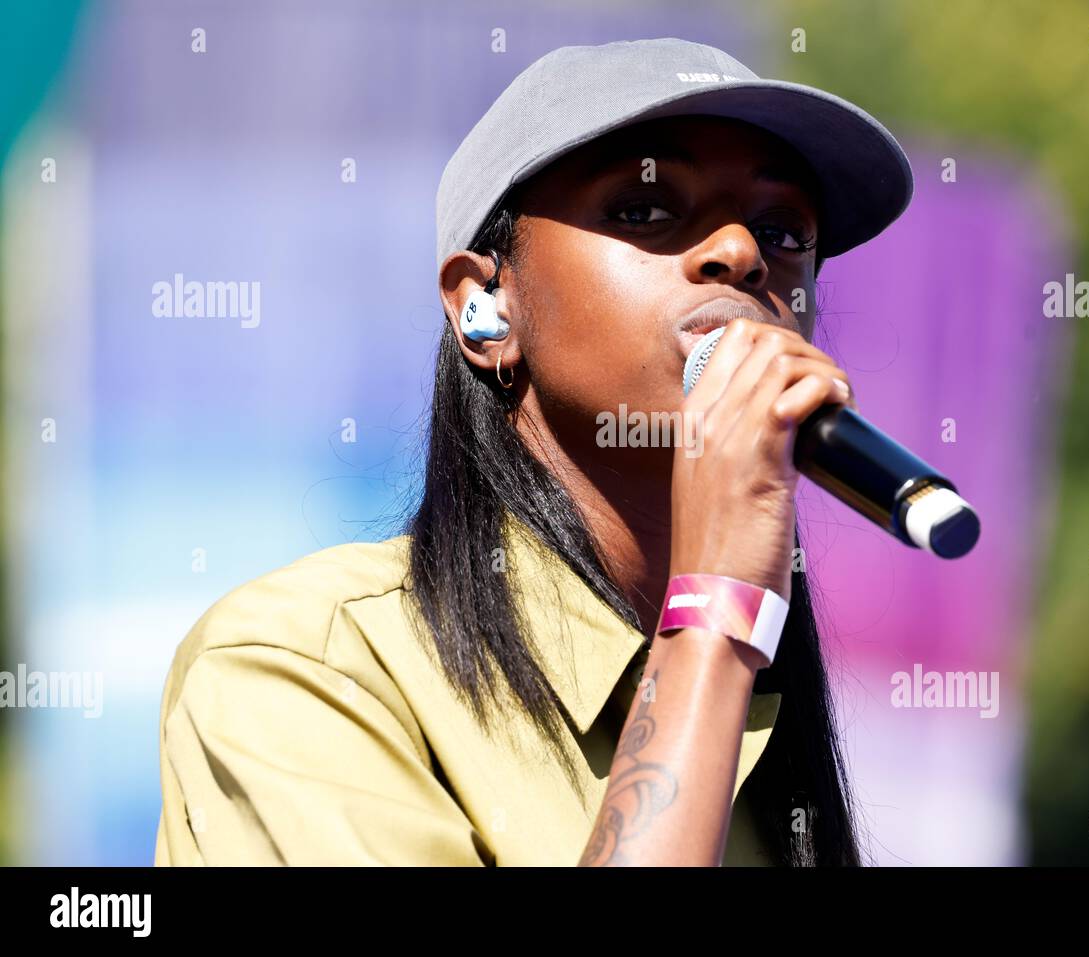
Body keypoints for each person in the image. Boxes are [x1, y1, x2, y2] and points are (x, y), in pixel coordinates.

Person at [154, 36, 912, 867]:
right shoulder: (305, 665)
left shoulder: (764, 724)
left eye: (782, 229)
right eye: (645, 208)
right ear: (486, 306)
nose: (742, 253)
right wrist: (714, 615)